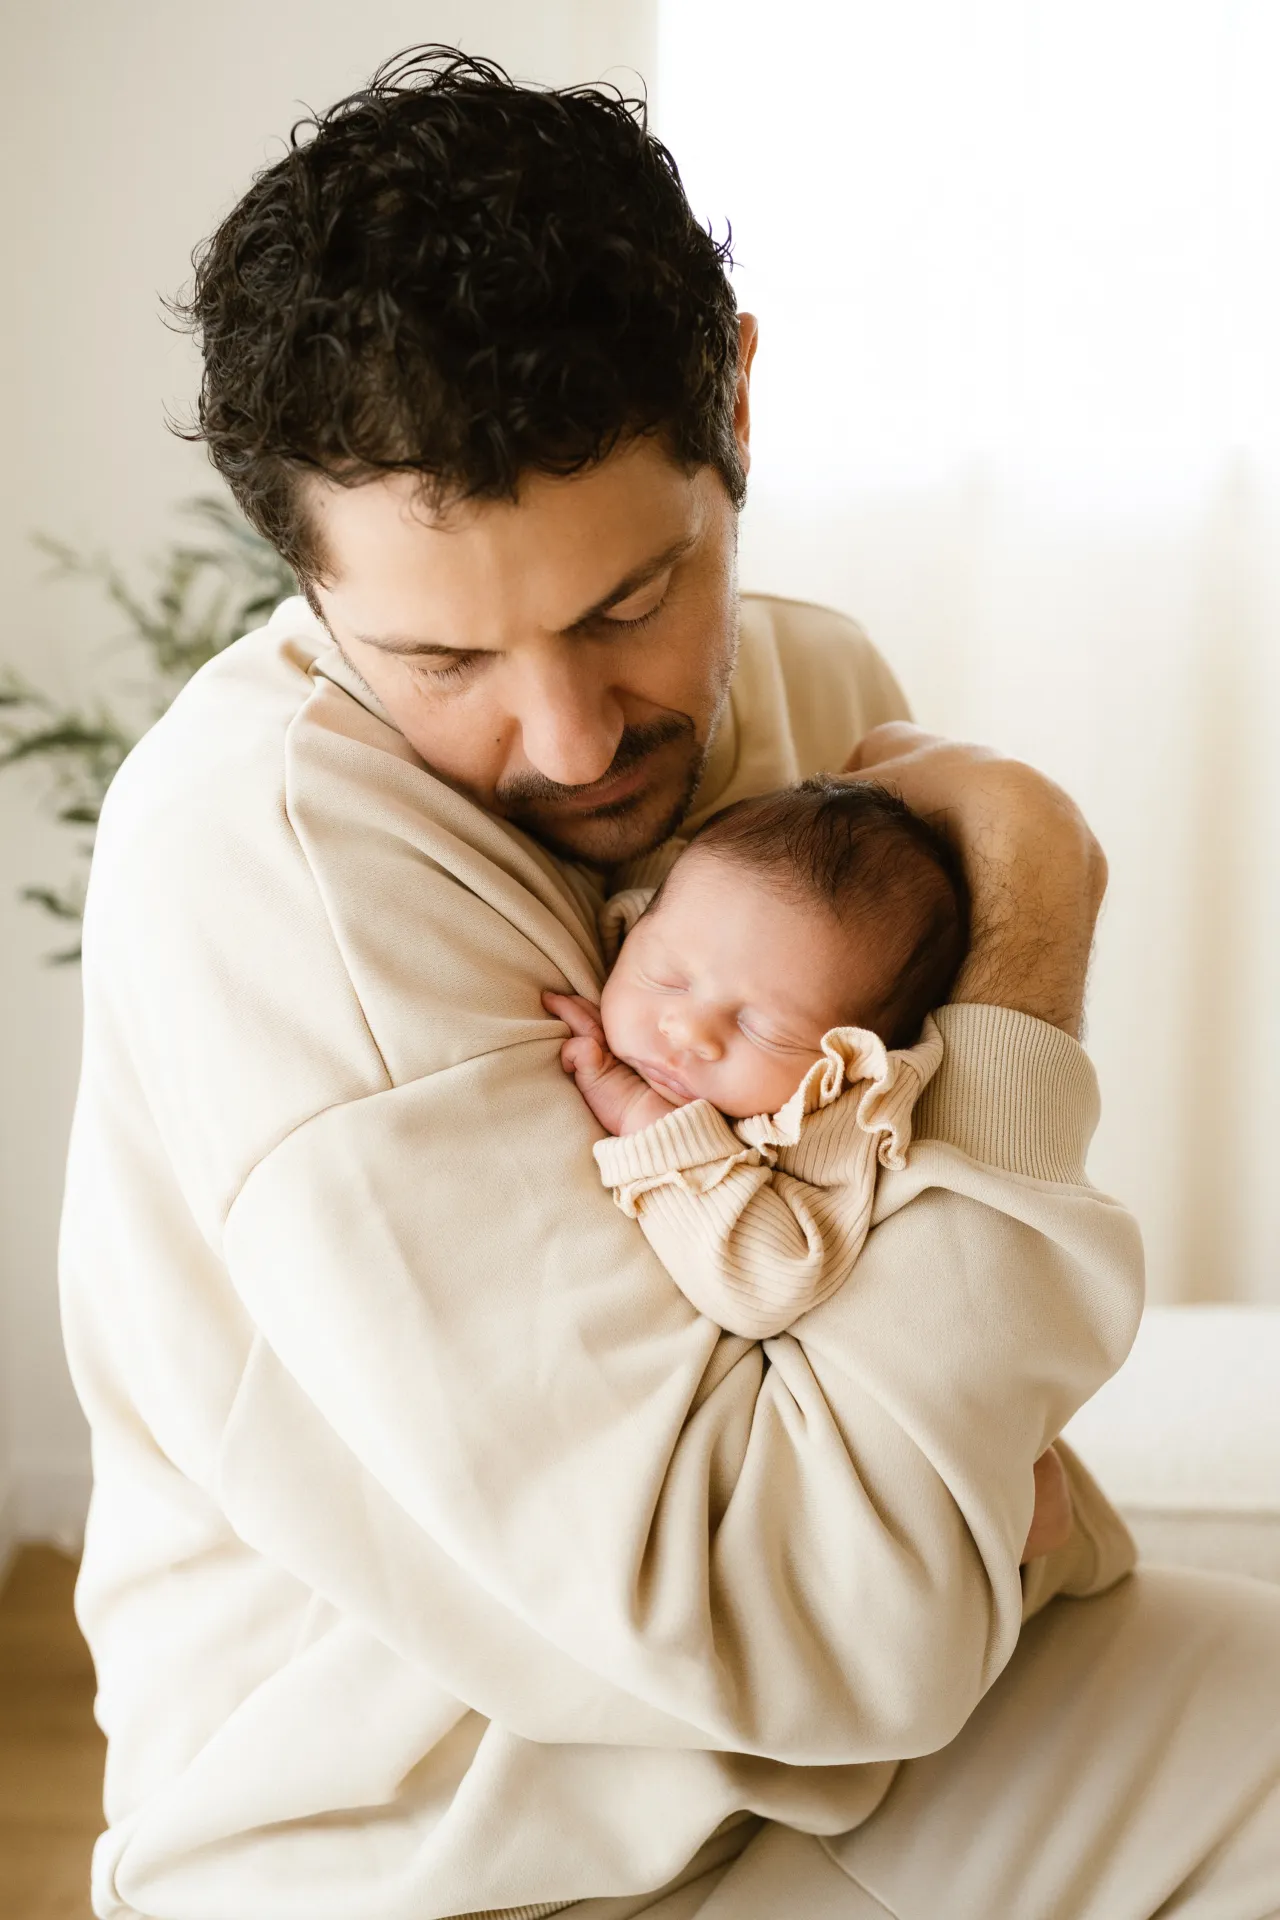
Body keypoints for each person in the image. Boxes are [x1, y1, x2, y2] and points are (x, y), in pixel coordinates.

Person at [58, 46, 1280, 1920]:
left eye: (630, 605)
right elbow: (828, 1621)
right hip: (453, 1859)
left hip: (810, 1763)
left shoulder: (808, 703)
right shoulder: (267, 869)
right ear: (302, 587)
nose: (562, 740)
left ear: (736, 402)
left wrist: (965, 1520)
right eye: (440, 656)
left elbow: (936, 1409)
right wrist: (1035, 883)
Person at [544, 777, 969, 1337]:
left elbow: (763, 1286)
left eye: (765, 1030)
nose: (690, 1030)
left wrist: (645, 1118)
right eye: (667, 978)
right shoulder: (669, 914)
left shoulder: (838, 1131)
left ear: (851, 1062)